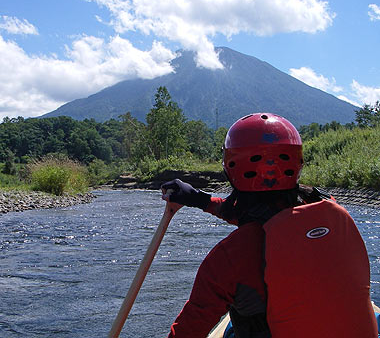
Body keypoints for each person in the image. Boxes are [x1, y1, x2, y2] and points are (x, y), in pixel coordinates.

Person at [161, 112, 378, 338]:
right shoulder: (328, 210)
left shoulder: (230, 257)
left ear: (230, 168)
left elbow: (187, 332)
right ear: (297, 162)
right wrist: (201, 200)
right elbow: (273, 220)